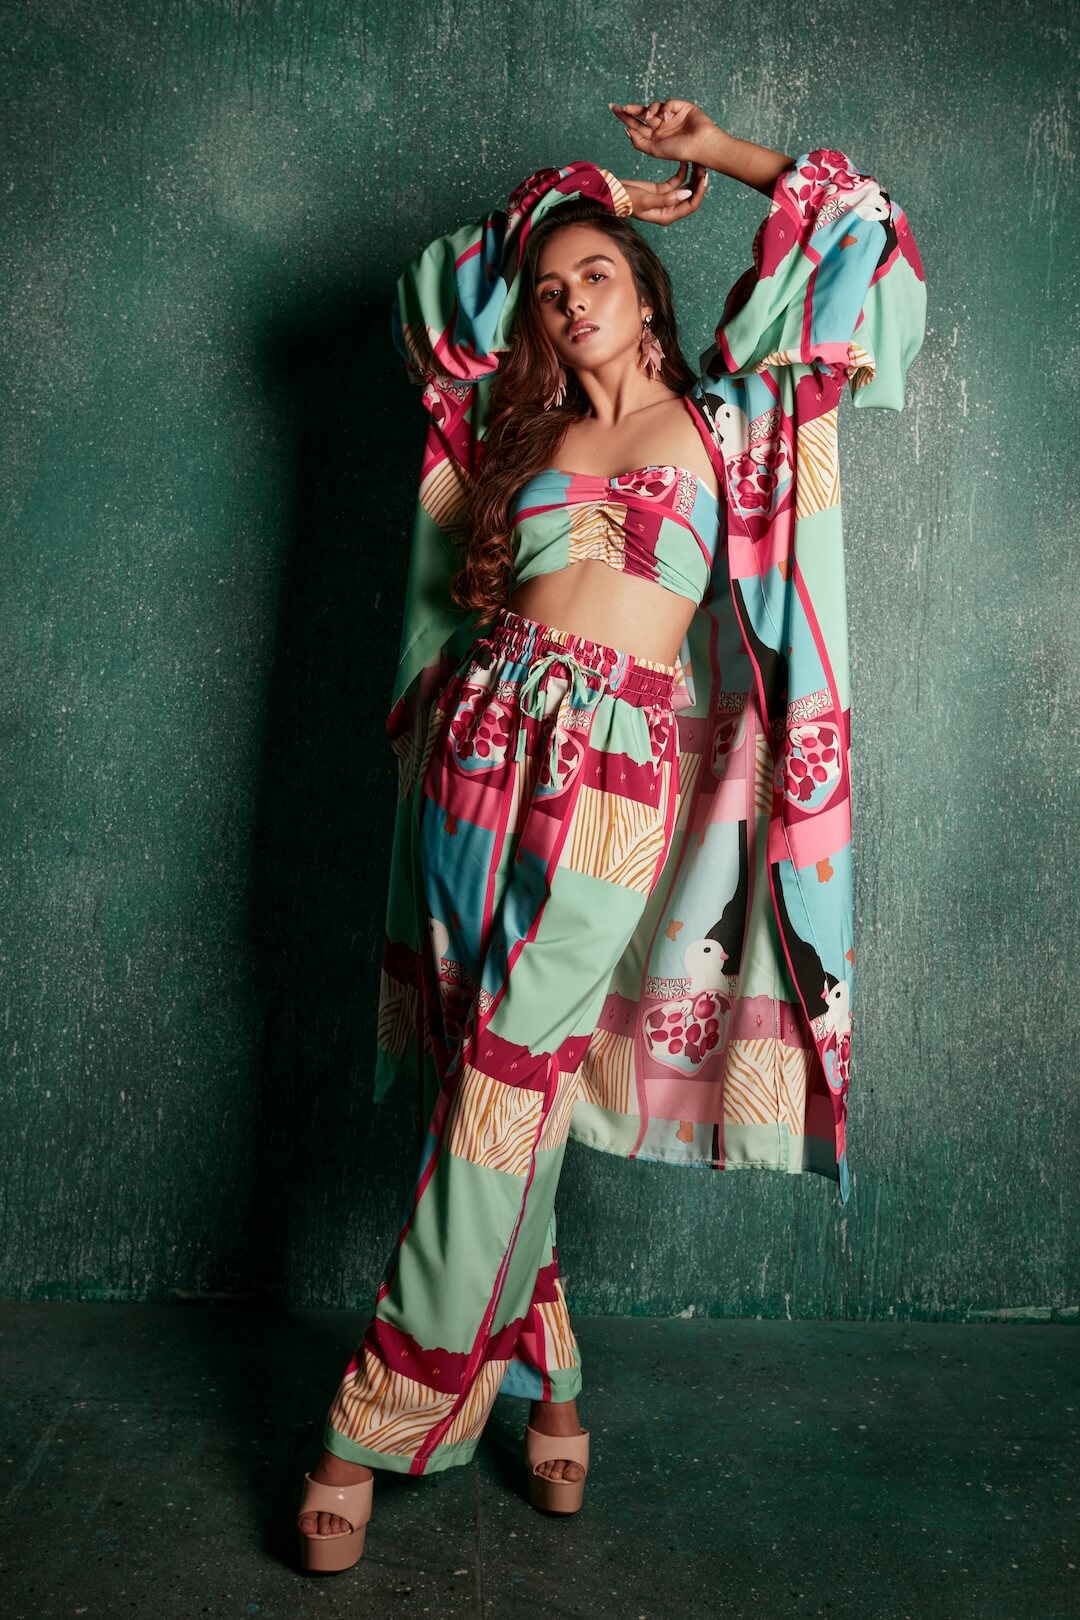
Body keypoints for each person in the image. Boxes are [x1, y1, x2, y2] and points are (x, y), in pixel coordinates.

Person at [295, 99, 927, 1571]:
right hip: (475, 745)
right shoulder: (510, 427)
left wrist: (715, 162)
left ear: (648, 295)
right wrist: (597, 199)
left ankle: (373, 1417)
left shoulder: (730, 422)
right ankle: (554, 1376)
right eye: (553, 285)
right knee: (482, 1071)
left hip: (615, 773)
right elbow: (433, 290)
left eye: (600, 274)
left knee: (508, 1076)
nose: (573, 297)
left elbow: (867, 232)